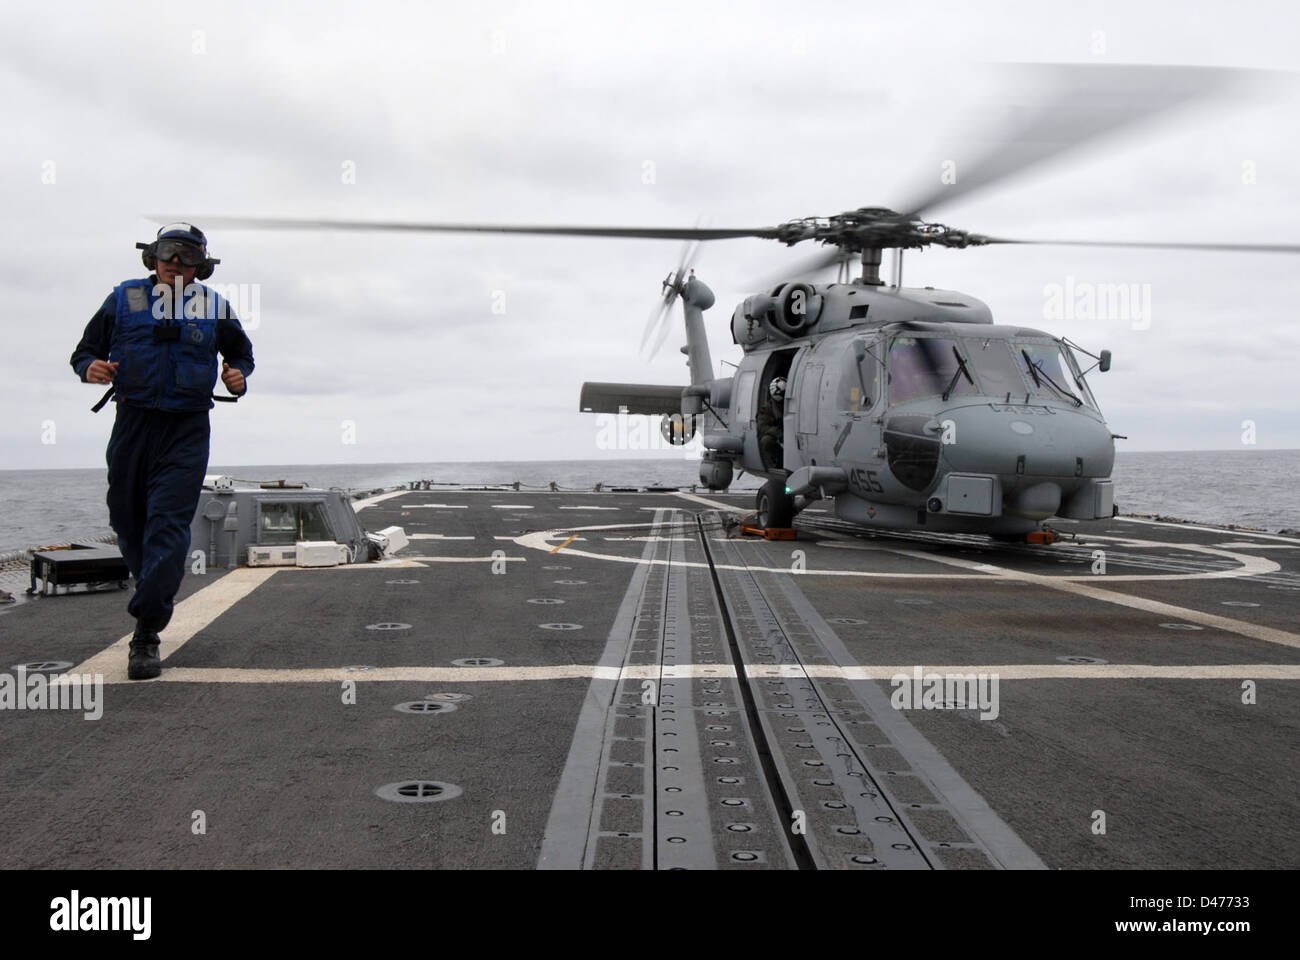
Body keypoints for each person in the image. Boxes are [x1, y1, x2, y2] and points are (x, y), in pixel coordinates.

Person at [70, 223, 254, 680]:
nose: (177, 262)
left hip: (186, 428)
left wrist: (239, 376)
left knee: (168, 525)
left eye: (188, 256)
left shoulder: (215, 307)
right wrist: (89, 368)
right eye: (169, 252)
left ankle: (147, 630)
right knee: (127, 520)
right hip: (132, 423)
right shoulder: (125, 298)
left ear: (201, 267)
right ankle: (150, 588)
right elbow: (84, 351)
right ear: (153, 257)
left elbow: (241, 354)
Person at [756, 375, 786, 469]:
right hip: (779, 435)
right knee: (767, 441)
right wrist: (779, 433)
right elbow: (762, 426)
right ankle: (780, 459)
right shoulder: (767, 408)